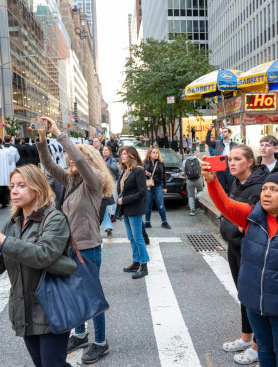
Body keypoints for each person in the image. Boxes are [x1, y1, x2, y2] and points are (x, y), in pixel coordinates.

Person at [203, 166, 278, 366]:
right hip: (255, 303)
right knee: (265, 349)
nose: (267, 193)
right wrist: (211, 181)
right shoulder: (251, 215)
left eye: (274, 190)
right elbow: (225, 205)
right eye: (264, 189)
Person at [0, 164, 76, 367]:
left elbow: (44, 255)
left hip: (53, 306)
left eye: (21, 185)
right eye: (12, 186)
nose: (14, 191)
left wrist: (4, 241)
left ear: (37, 188)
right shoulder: (12, 222)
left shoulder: (54, 219)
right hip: (24, 308)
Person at [36, 118, 113, 363]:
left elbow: (79, 159)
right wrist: (41, 137)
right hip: (69, 247)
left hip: (88, 247)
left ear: (88, 162)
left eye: (75, 158)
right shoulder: (70, 180)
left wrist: (58, 132)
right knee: (73, 292)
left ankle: (100, 342)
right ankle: (80, 334)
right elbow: (48, 163)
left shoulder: (93, 183)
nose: (70, 161)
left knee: (91, 295)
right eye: (69, 158)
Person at [217, 145, 268, 365]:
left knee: (255, 298)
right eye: (230, 159)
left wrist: (234, 227)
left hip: (249, 250)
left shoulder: (258, 188)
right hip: (235, 247)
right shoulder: (238, 183)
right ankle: (246, 338)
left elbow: (250, 224)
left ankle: (258, 346)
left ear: (250, 162)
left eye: (237, 159)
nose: (232, 163)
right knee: (243, 295)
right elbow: (228, 214)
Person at [118, 146, 150, 279]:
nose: (122, 156)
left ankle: (144, 266)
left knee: (138, 238)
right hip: (126, 209)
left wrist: (124, 200)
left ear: (131, 156)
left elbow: (143, 192)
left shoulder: (138, 171)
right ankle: (136, 262)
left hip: (135, 209)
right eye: (122, 154)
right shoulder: (125, 171)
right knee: (131, 238)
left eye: (125, 154)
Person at [143, 147, 171, 229]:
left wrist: (165, 187)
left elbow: (164, 175)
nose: (155, 154)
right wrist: (146, 174)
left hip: (158, 186)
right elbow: (141, 174)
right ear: (150, 154)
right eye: (154, 152)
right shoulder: (145, 163)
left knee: (160, 204)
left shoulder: (160, 163)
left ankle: (164, 222)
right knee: (148, 205)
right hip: (148, 186)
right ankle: (147, 222)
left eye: (157, 153)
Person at [205, 123, 238, 193]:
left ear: (230, 134)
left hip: (230, 168)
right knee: (221, 189)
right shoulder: (217, 143)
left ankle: (230, 203)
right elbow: (207, 141)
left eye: (225, 132)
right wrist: (210, 130)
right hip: (220, 168)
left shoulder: (235, 145)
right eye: (222, 132)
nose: (223, 133)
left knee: (232, 189)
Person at [0, 138, 15, 209]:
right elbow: (11, 161)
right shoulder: (6, 151)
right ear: (2, 142)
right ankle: (4, 202)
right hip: (4, 171)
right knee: (5, 188)